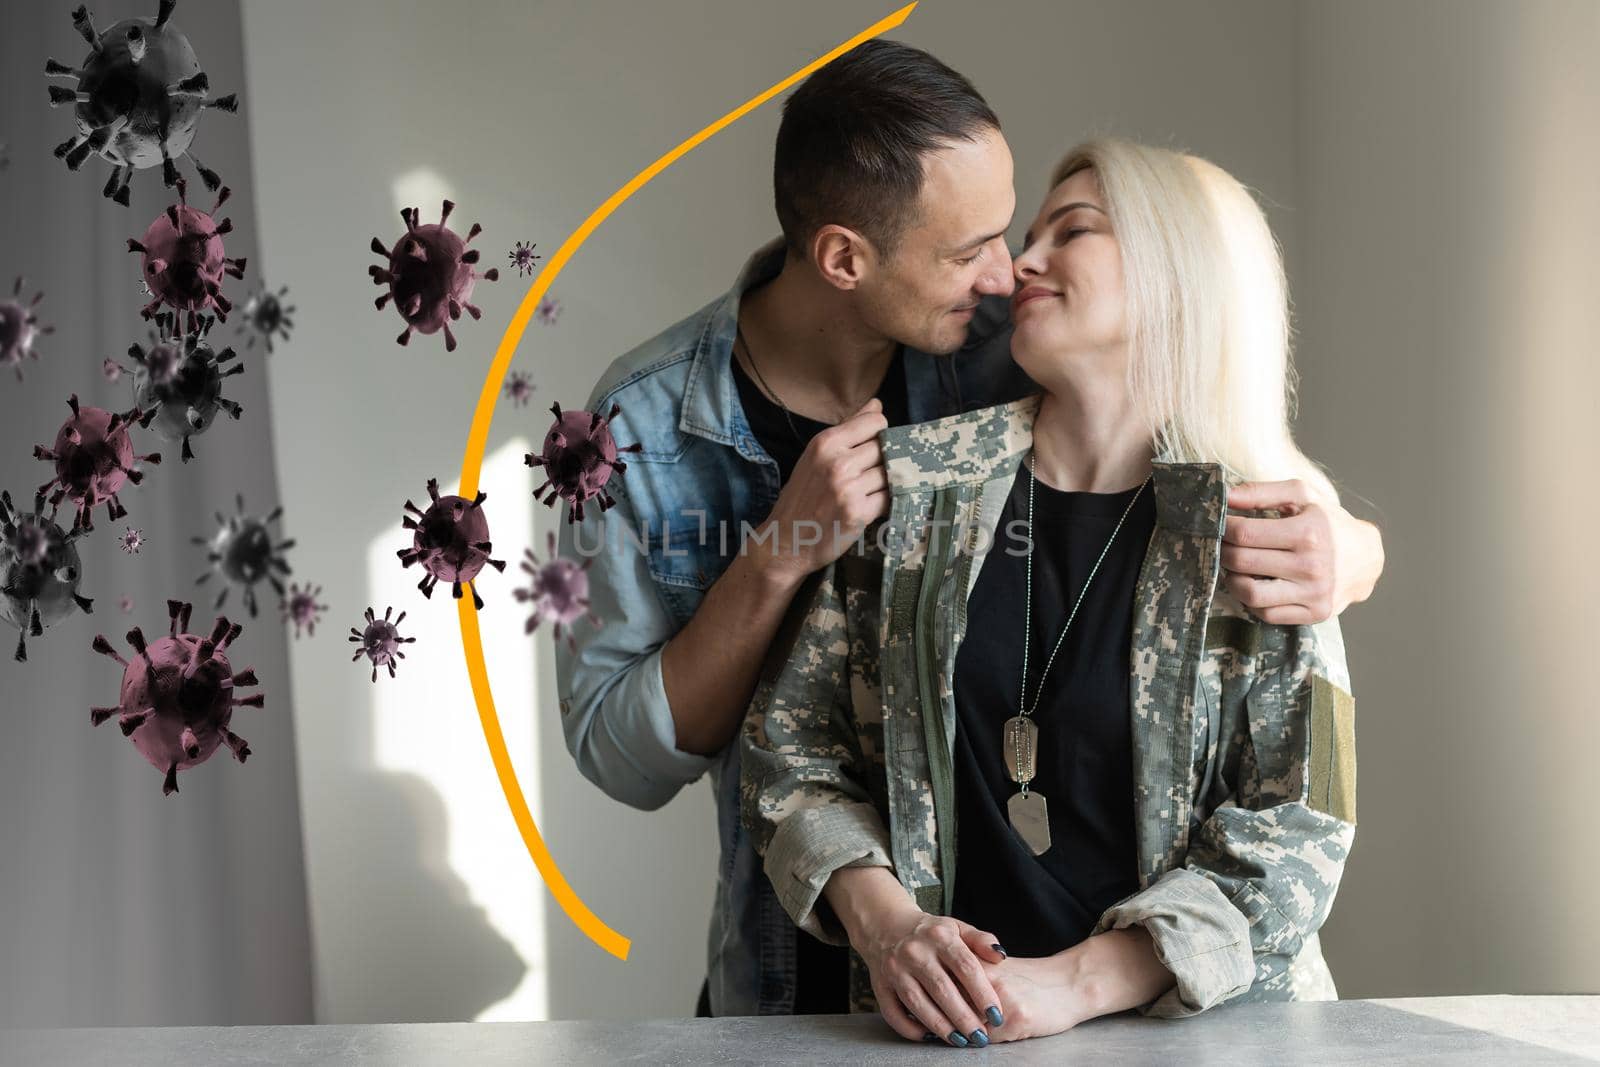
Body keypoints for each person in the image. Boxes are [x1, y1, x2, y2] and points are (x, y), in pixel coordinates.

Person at [556, 42, 1383, 1017]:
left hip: (1186, 1027)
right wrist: (785, 547)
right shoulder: (642, 429)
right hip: (821, 986)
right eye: (971, 249)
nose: (1008, 272)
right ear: (843, 258)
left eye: (1031, 232)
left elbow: (1302, 813)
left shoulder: (1015, 342)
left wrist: (1349, 541)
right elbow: (653, 750)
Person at [741, 137, 1358, 1048]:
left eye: (1072, 232)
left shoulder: (1268, 527)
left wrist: (1074, 984)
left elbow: (1304, 825)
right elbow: (790, 746)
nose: (1020, 264)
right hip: (942, 1039)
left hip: (1213, 1040)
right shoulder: (914, 489)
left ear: (1174, 270)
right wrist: (889, 929)